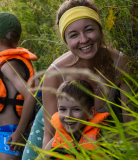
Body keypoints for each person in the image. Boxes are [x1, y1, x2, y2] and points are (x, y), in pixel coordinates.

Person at [22, 0, 133, 159]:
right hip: (55, 132)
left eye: (89, 30)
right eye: (74, 35)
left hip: (95, 137)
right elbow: (50, 135)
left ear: (100, 31)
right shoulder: (56, 73)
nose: (84, 39)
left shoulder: (120, 64)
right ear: (65, 41)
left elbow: (131, 125)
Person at [0, 12, 37, 160]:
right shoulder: (9, 61)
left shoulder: (8, 65)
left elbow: (30, 95)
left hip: (10, 132)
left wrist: (20, 132)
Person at [38, 79, 110, 159]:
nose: (68, 116)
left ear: (91, 112)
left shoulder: (103, 137)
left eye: (76, 109)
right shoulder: (56, 140)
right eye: (63, 109)